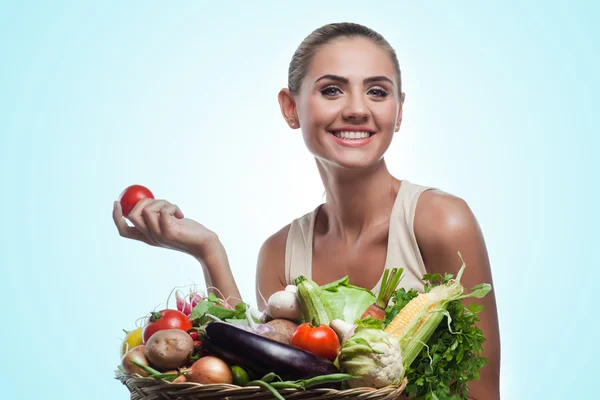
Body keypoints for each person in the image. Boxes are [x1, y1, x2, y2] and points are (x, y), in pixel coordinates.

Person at [113, 22, 500, 399]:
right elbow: (253, 371)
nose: (357, 109)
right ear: (290, 107)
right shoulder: (280, 254)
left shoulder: (440, 222)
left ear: (398, 112)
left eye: (378, 92)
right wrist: (208, 249)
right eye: (332, 90)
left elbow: (482, 394)